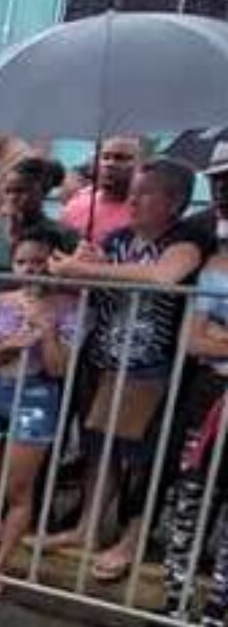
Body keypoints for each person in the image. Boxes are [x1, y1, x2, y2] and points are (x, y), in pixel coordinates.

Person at [48, 157, 208, 583]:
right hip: (105, 358)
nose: (133, 201)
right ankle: (87, 527)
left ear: (173, 201)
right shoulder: (118, 240)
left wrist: (87, 268)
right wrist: (93, 264)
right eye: (132, 193)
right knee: (101, 448)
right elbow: (104, 283)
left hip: (152, 368)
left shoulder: (187, 240)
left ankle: (132, 538)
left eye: (145, 193)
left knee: (145, 458)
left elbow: (163, 277)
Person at [0, 227, 82, 600]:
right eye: (22, 262)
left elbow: (61, 370)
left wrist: (46, 332)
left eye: (40, 263)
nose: (30, 270)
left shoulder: (71, 306)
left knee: (18, 488)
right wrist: (6, 347)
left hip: (37, 395)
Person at [144, 231, 228, 627]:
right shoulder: (214, 267)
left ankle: (218, 613)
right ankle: (174, 604)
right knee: (191, 499)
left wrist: (218, 334)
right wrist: (208, 336)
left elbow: (206, 336)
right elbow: (192, 340)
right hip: (209, 395)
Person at [62, 136, 143, 244]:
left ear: (138, 165)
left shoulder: (145, 211)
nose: (110, 164)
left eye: (120, 158)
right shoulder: (76, 204)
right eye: (105, 157)